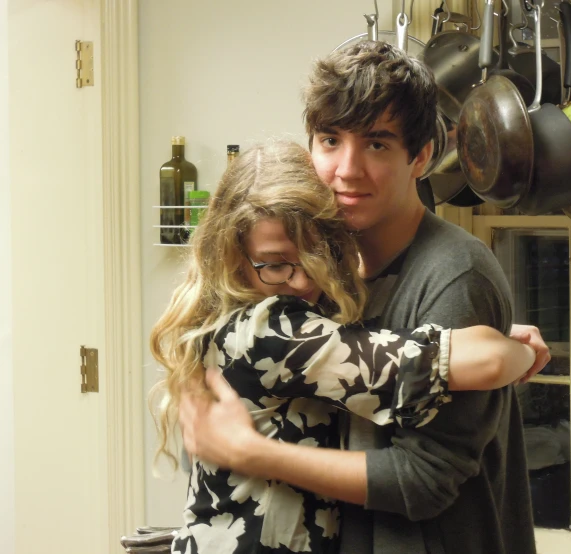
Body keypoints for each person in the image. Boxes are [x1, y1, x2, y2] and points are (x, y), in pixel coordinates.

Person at [179, 41, 550, 554]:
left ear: (420, 156)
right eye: (330, 140)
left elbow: (422, 479)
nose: (346, 170)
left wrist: (251, 452)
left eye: (377, 144)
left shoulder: (455, 274)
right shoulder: (310, 267)